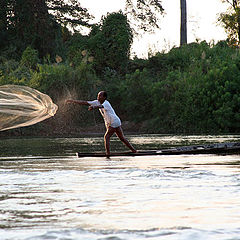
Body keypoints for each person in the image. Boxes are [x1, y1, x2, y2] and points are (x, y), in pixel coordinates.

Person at [66, 91, 137, 157]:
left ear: (104, 97)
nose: (98, 97)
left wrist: (93, 107)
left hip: (114, 122)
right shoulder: (97, 102)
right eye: (98, 96)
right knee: (122, 138)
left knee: (107, 137)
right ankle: (133, 150)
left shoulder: (106, 103)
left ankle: (108, 153)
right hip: (114, 122)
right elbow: (85, 102)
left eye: (100, 96)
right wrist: (72, 101)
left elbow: (101, 106)